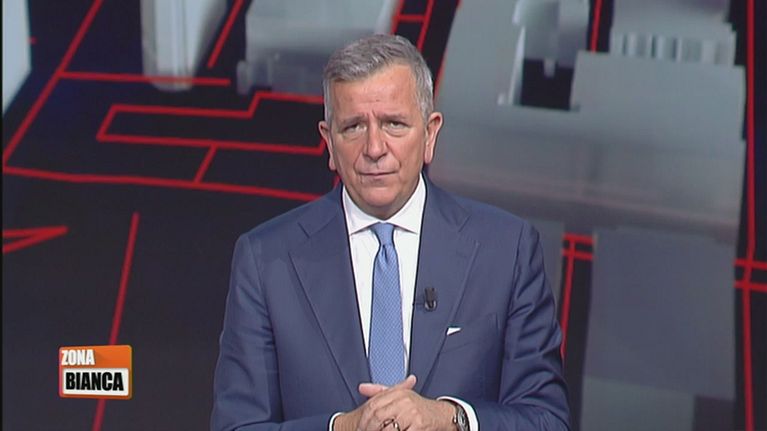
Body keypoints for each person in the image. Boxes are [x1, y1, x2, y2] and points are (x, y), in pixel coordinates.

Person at [211, 34, 569, 431]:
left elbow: (547, 420)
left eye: (394, 124)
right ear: (329, 142)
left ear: (430, 134)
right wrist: (340, 428)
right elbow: (236, 427)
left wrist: (451, 419)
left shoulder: (505, 249)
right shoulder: (266, 260)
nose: (375, 148)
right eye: (353, 127)